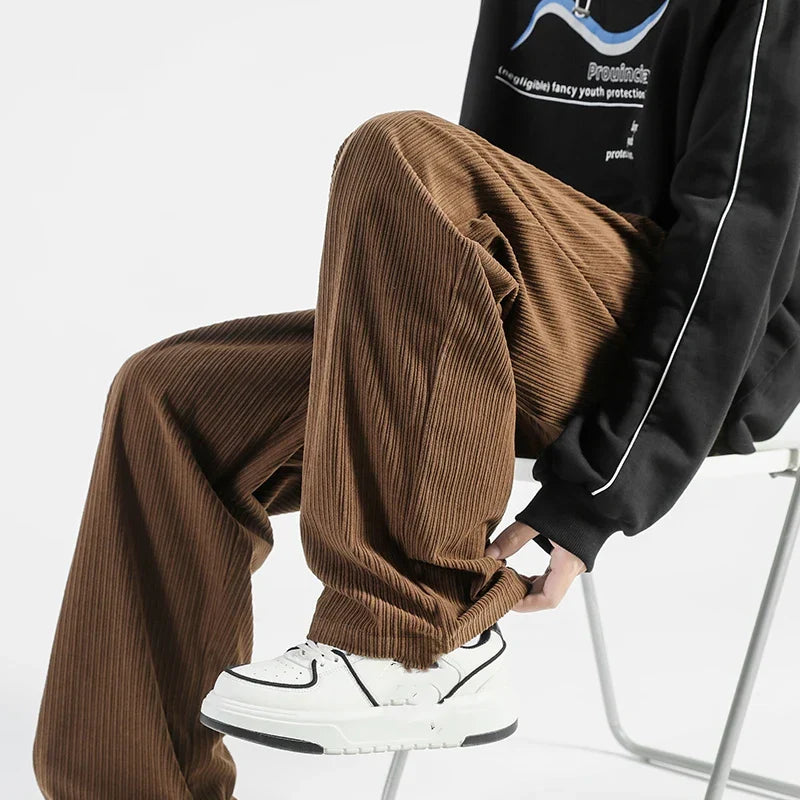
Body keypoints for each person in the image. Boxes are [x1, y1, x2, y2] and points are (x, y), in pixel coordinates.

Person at [33, 0, 800, 796]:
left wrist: (599, 490)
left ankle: (412, 638)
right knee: (173, 396)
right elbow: (486, 186)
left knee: (404, 152)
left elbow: (740, 242)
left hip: (694, 348)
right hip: (530, 316)